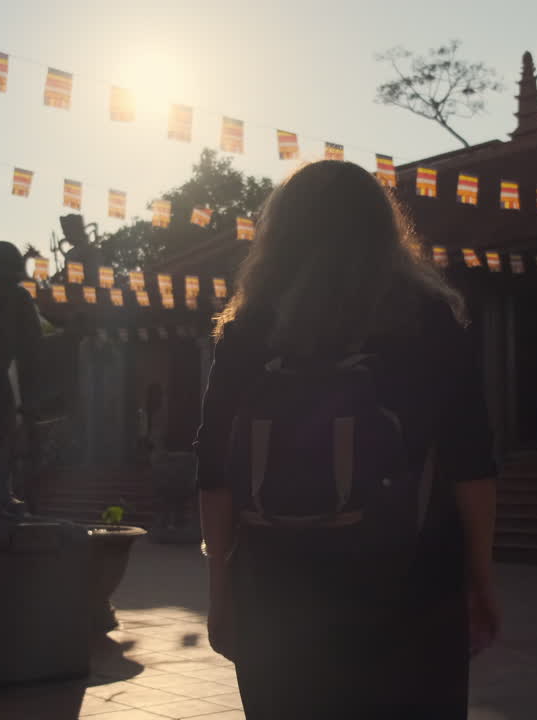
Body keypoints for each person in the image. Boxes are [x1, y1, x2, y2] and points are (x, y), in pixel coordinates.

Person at [195, 160, 500, 719]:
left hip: (275, 590)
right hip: (411, 583)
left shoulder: (249, 328)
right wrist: (479, 579)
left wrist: (221, 593)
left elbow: (215, 475)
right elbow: (471, 463)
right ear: (384, 228)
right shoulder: (427, 320)